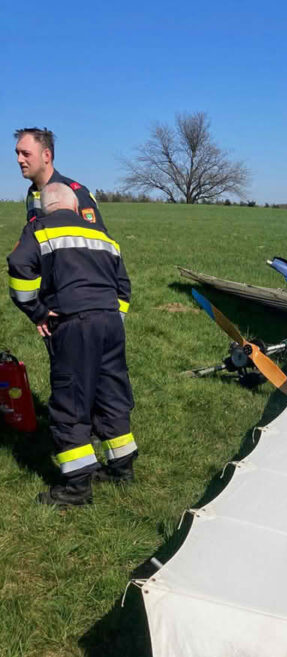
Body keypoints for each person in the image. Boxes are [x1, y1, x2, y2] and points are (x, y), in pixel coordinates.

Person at [6, 182, 137, 507]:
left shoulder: (39, 230)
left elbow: (19, 267)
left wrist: (36, 311)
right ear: (76, 206)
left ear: (45, 208)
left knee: (71, 400)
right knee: (111, 394)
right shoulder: (102, 236)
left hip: (74, 325)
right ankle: (122, 469)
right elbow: (124, 286)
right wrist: (111, 319)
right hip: (109, 323)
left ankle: (77, 487)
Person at [14, 127, 107, 229]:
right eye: (17, 153)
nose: (19, 159)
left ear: (46, 155)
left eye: (26, 154)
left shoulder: (75, 192)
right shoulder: (32, 193)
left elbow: (96, 239)